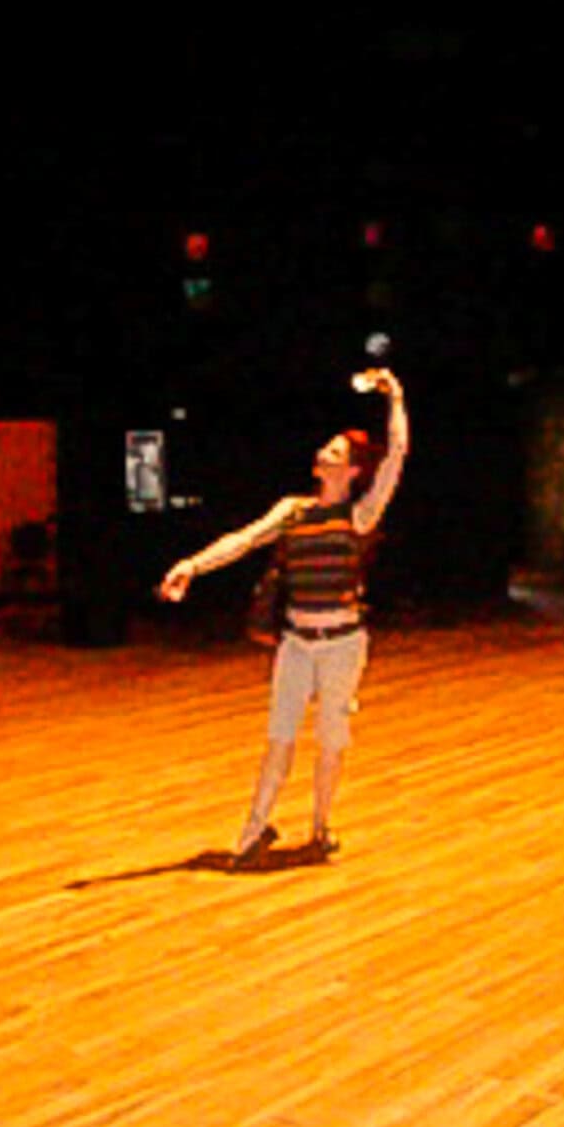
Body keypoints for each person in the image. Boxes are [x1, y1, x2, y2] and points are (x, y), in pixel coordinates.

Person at [159, 368, 409, 867]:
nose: (323, 453)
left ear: (352, 469)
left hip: (342, 641)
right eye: (326, 449)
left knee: (333, 738)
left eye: (335, 453)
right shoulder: (293, 510)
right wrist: (192, 565)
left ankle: (322, 826)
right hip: (297, 639)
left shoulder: (361, 515)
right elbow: (245, 539)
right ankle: (253, 831)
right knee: (279, 735)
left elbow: (397, 456)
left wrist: (395, 396)